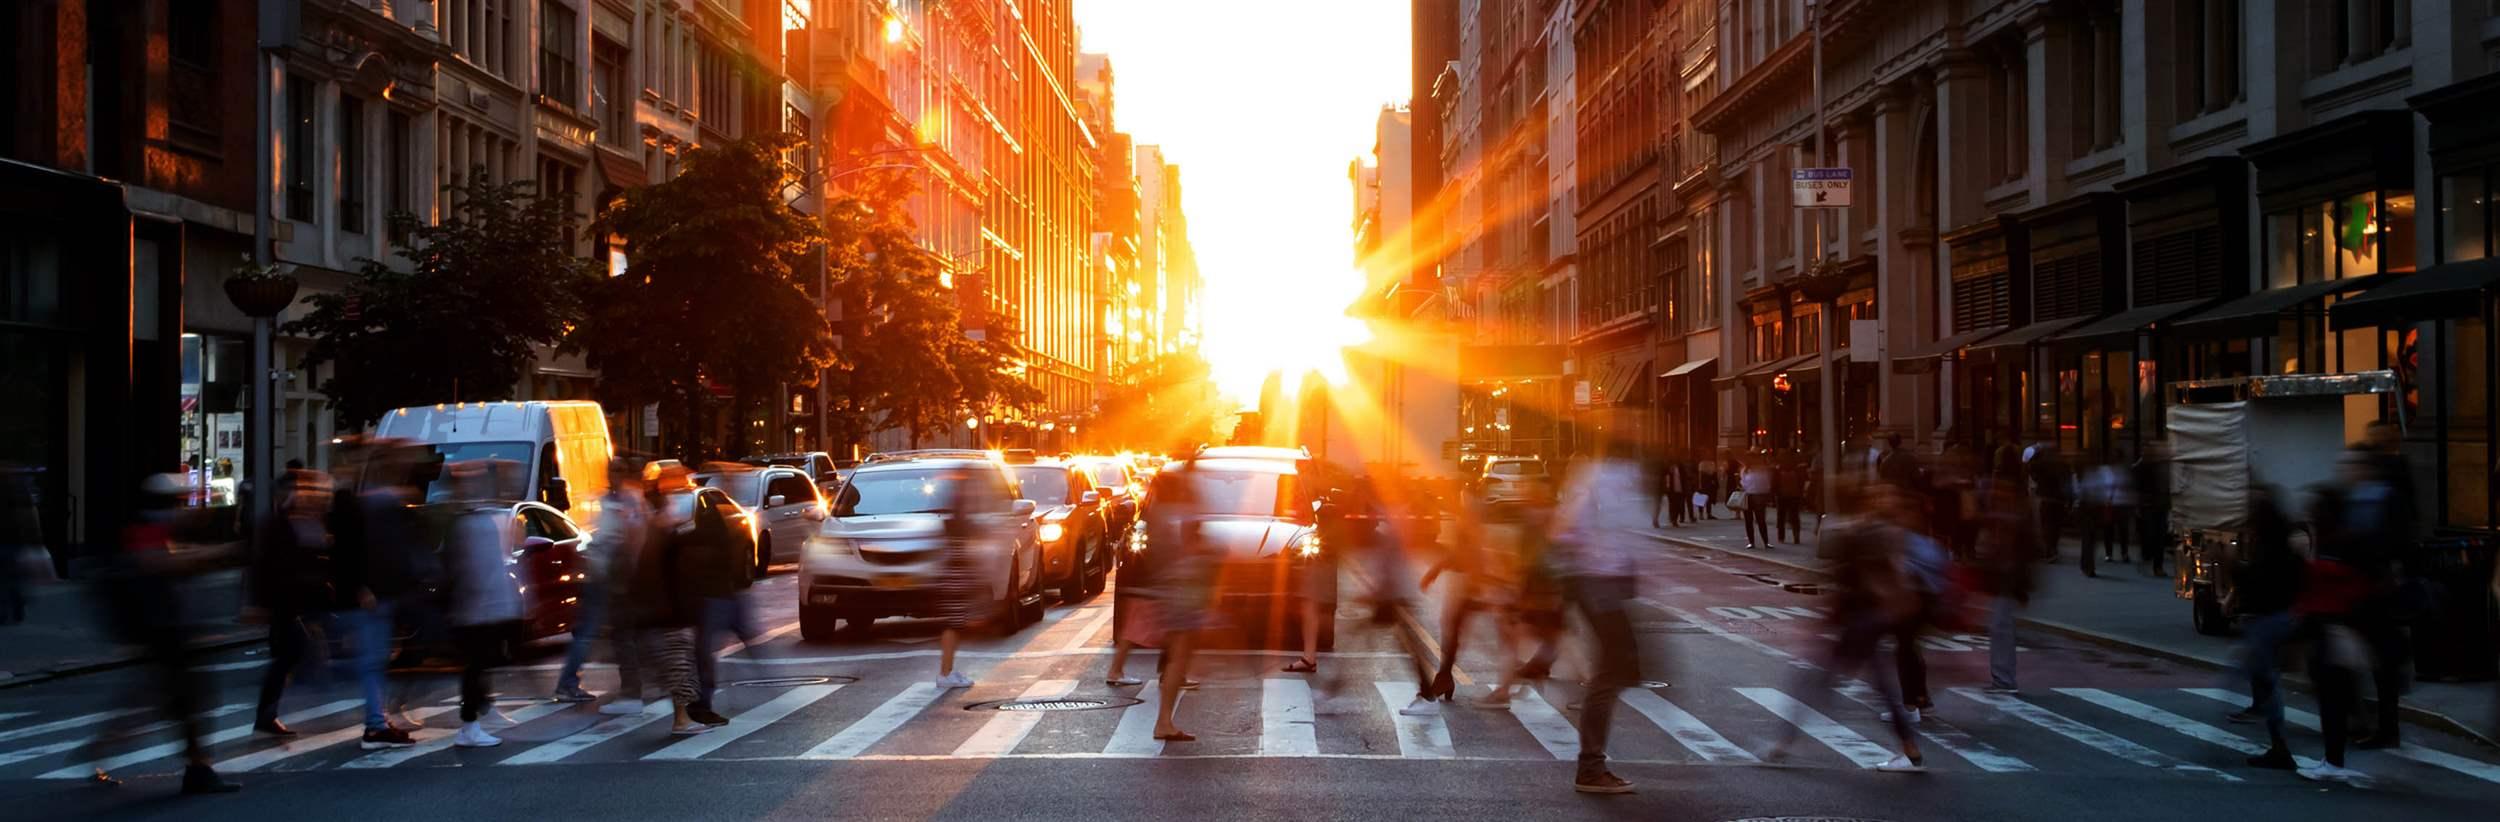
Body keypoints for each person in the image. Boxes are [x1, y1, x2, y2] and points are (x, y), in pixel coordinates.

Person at [78, 474, 240, 793]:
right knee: (186, 700)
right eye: (179, 503)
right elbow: (159, 566)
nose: (184, 509)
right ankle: (198, 769)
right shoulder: (144, 532)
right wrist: (213, 555)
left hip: (165, 631)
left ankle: (102, 747)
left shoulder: (155, 530)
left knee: (160, 699)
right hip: (162, 631)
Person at [1767, 483, 1926, 773]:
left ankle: (1783, 743)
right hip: (1870, 619)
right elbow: (1889, 576)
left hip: (1859, 621)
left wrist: (1824, 617)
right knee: (1880, 687)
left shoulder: (1860, 533)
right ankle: (1910, 748)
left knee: (1815, 683)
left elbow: (1845, 581)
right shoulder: (1884, 534)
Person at [1549, 441, 1647, 794]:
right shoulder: (1593, 485)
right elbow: (1561, 531)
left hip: (1601, 585)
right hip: (1596, 585)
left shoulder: (1603, 483)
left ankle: (1591, 764)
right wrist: (1594, 557)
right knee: (1611, 671)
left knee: (1620, 668)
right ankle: (1590, 767)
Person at [333, 443, 420, 749]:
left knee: (376, 659)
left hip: (382, 591)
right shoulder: (354, 499)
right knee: (372, 660)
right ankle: (375, 724)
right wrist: (361, 587)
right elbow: (348, 549)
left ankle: (379, 719)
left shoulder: (367, 497)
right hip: (373, 593)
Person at [248, 469, 336, 737]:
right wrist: (257, 603)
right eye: (297, 489)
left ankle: (268, 714)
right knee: (288, 654)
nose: (303, 494)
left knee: (288, 655)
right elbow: (264, 565)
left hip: (298, 599)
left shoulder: (303, 520)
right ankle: (266, 714)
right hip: (284, 601)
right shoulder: (276, 524)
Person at [558, 458, 650, 706]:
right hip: (604, 575)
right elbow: (623, 538)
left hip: (612, 574)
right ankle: (569, 683)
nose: (613, 475)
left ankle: (632, 684)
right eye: (611, 470)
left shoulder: (627, 500)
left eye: (618, 470)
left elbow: (632, 537)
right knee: (595, 631)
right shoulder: (611, 501)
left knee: (612, 632)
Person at [627, 463, 710, 735]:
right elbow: (664, 570)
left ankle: (682, 717)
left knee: (681, 665)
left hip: (668, 609)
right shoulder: (661, 528)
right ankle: (681, 719)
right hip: (668, 611)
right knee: (679, 665)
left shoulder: (661, 525)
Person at [2232, 485, 2305, 769]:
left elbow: (2258, 579)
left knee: (2265, 679)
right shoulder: (2281, 542)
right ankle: (2277, 741)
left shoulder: (2270, 546)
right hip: (2275, 617)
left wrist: (2232, 566)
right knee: (2263, 677)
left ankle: (2280, 744)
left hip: (2268, 619)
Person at [688, 469, 761, 727]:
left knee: (705, 650)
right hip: (712, 595)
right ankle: (697, 704)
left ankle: (699, 704)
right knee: (703, 651)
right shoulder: (696, 517)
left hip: (718, 594)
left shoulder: (709, 515)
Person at [1974, 481, 2038, 694]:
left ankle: (2004, 680)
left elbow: (2025, 555)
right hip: (2004, 581)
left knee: (2001, 627)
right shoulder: (2003, 518)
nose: (1996, 493)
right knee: (2000, 628)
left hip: (2010, 581)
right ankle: (2002, 678)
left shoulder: (2015, 521)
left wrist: (2022, 584)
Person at [2133, 442, 2174, 576]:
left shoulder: (2163, 467)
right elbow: (2137, 487)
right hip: (2148, 506)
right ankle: (2149, 557)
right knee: (2150, 535)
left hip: (2160, 506)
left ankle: (2157, 565)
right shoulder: (2141, 466)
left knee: (2159, 537)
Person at [1739, 455, 1773, 550]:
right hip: (1749, 496)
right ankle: (1752, 542)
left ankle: (1765, 542)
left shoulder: (1762, 470)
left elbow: (1767, 483)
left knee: (1761, 520)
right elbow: (1743, 483)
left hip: (1758, 496)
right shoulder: (1745, 470)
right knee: (1749, 520)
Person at [1773, 451, 1807, 544]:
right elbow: (1801, 482)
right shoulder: (1796, 469)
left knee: (1781, 516)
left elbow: (1774, 483)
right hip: (1794, 495)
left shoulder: (1778, 469)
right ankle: (1796, 536)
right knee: (1794, 516)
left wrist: (1774, 493)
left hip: (1782, 496)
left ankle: (1781, 537)